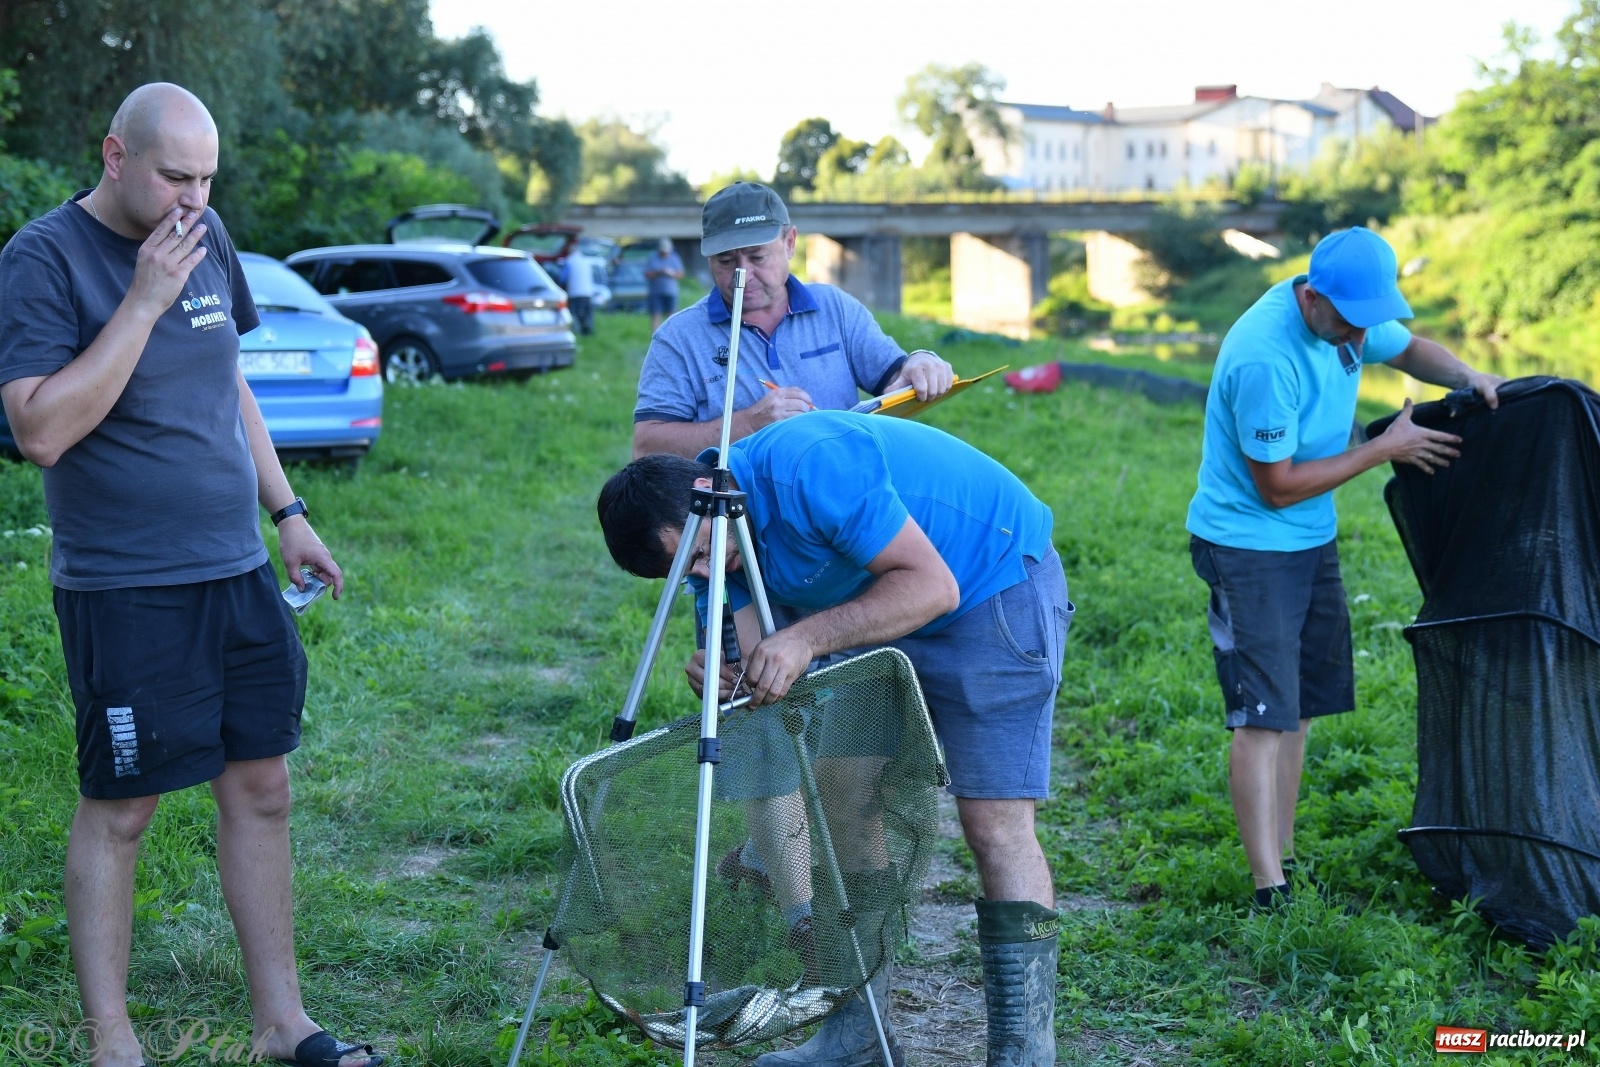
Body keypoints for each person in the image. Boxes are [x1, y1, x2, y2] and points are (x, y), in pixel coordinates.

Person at [0, 84, 382, 1067]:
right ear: (115, 155)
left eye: (207, 177)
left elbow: (231, 381)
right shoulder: (42, 258)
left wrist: (288, 510)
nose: (194, 197)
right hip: (126, 585)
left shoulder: (204, 232)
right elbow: (40, 429)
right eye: (177, 174)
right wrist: (141, 300)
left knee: (262, 786)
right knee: (123, 803)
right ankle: (112, 1039)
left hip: (236, 566)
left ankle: (281, 1022)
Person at [599, 411, 1072, 1066]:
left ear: (713, 493)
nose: (707, 573)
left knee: (995, 826)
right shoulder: (716, 545)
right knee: (844, 800)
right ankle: (859, 1035)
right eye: (688, 571)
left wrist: (806, 638)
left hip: (989, 585)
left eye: (705, 553)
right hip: (879, 607)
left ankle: (1024, 1054)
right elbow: (765, 665)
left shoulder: (809, 464)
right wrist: (727, 673)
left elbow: (932, 585)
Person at [1185, 226, 1504, 910]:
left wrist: (1468, 375)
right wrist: (1384, 447)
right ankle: (1268, 888)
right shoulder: (1266, 358)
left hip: (1309, 538)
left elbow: (1411, 348)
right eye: (1352, 320)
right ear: (1313, 296)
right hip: (1249, 544)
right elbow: (1278, 485)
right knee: (1262, 715)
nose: (1363, 335)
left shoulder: (1350, 317)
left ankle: (1288, 856)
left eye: (1371, 318)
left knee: (1299, 710)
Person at [632, 181, 954, 460]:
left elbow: (894, 379)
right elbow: (647, 447)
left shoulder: (834, 307)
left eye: (757, 257)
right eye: (726, 260)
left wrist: (920, 362)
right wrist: (748, 425)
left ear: (789, 243)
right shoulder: (678, 338)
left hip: (848, 500)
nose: (743, 274)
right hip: (743, 520)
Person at [643, 237, 685, 332]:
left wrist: (672, 274)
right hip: (655, 292)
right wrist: (660, 272)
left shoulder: (674, 258)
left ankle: (671, 335)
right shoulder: (652, 258)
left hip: (671, 292)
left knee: (671, 315)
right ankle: (655, 336)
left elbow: (681, 274)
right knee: (655, 315)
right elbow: (646, 274)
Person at [561, 243, 601, 336]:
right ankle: (588, 331)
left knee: (575, 314)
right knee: (587, 314)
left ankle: (577, 333)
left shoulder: (569, 261)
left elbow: (563, 278)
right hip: (587, 292)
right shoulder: (586, 261)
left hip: (575, 293)